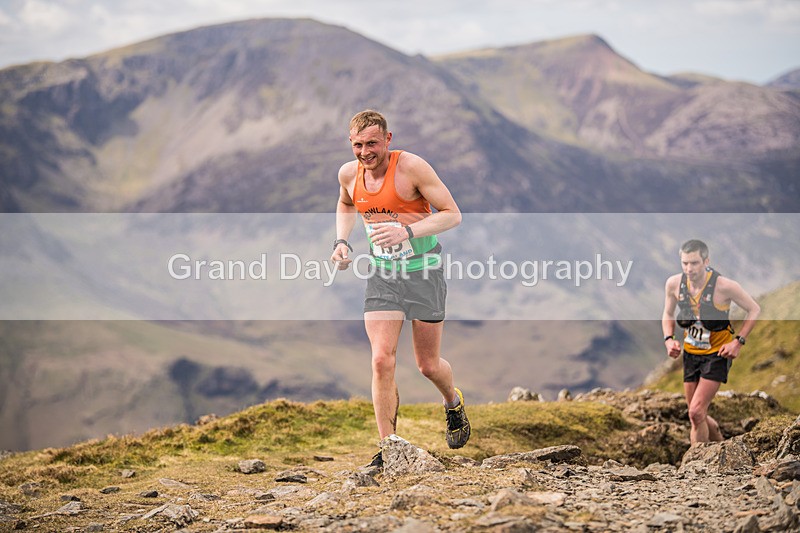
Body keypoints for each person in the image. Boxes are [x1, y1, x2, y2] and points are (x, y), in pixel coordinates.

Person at [330, 110, 470, 466]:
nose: (365, 152)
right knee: (381, 359)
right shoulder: (349, 174)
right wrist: (341, 242)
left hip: (425, 272)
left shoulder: (411, 168)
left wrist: (407, 231)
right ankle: (388, 448)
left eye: (372, 143)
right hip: (383, 274)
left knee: (427, 365)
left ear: (388, 140)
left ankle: (452, 402)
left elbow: (452, 214)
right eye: (358, 145)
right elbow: (346, 203)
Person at [662, 239, 760, 445]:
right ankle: (723, 448)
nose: (689, 269)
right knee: (696, 414)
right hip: (690, 355)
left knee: (696, 412)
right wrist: (669, 339)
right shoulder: (674, 284)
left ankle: (695, 468)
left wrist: (738, 342)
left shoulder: (724, 286)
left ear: (706, 261)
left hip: (717, 355)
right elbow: (668, 313)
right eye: (685, 263)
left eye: (695, 263)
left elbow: (754, 309)